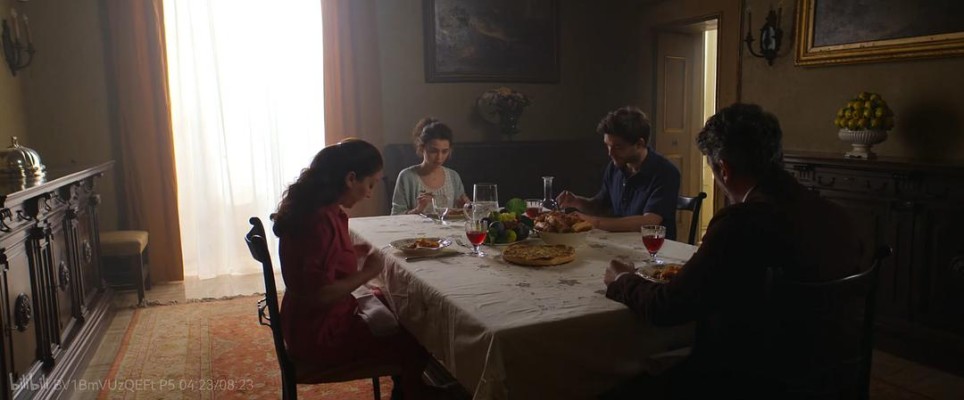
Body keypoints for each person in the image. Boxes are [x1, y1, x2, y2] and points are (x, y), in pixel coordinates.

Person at [601, 104, 862, 398]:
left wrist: (623, 280)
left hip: (755, 380)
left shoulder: (740, 223)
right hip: (833, 372)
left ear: (723, 169)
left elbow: (667, 307)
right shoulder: (835, 214)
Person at [271, 139, 435, 398]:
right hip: (320, 334)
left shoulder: (320, 208)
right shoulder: (320, 222)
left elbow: (317, 261)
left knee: (397, 306)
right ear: (350, 179)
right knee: (417, 334)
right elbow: (320, 294)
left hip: (304, 321)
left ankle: (405, 385)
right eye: (370, 184)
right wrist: (366, 273)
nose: (369, 193)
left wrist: (350, 253)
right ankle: (410, 390)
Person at [555, 106, 680, 237]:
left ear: (639, 144)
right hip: (621, 243)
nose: (610, 153)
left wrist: (591, 222)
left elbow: (648, 222)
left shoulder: (666, 173)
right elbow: (600, 207)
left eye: (618, 147)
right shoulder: (615, 167)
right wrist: (577, 202)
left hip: (655, 247)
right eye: (608, 146)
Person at [391, 117, 469, 215]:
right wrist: (418, 209)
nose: (439, 157)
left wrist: (466, 207)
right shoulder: (407, 177)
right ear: (422, 148)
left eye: (444, 151)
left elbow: (460, 213)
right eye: (433, 151)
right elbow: (395, 216)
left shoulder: (453, 177)